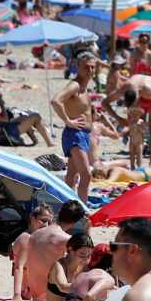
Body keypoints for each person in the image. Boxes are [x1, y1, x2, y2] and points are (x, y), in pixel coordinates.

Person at [53, 53, 97, 202]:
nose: (90, 70)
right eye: (86, 67)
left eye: (93, 67)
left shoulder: (85, 87)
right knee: (86, 175)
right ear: (78, 68)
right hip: (75, 134)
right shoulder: (75, 85)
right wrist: (67, 121)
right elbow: (56, 101)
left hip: (83, 135)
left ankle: (67, 205)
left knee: (72, 175)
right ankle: (82, 210)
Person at [10, 204, 71, 301]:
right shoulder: (27, 238)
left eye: (49, 222)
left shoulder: (39, 238)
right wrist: (16, 295)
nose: (46, 224)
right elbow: (18, 267)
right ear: (32, 219)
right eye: (43, 220)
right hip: (28, 290)